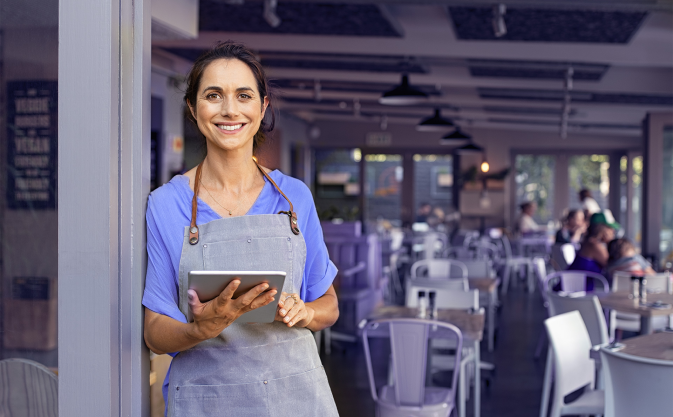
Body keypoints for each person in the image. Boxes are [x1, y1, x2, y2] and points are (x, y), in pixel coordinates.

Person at [142, 42, 339, 416]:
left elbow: (328, 304)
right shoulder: (166, 204)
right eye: (213, 95)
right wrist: (200, 329)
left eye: (243, 95)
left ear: (262, 107)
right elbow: (154, 330)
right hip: (207, 401)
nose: (229, 110)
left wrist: (306, 313)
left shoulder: (294, 197)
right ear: (192, 108)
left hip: (295, 397)